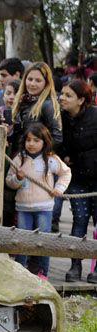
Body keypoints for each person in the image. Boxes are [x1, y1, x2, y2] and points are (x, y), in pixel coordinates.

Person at [6, 123, 71, 280]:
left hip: (44, 207)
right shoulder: (19, 158)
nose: (31, 144)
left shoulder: (51, 160)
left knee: (43, 240)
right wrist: (18, 178)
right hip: (23, 207)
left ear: (44, 141)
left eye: (36, 140)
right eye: (28, 140)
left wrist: (59, 189)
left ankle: (43, 273)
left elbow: (66, 173)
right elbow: (9, 181)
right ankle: (20, 271)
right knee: (22, 240)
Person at [59, 80, 97, 283]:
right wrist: (64, 156)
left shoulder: (95, 116)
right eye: (62, 94)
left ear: (81, 100)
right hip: (77, 178)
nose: (62, 98)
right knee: (80, 221)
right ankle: (75, 266)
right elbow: (57, 143)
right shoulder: (61, 119)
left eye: (68, 95)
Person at [11, 62, 62, 156]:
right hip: (19, 157)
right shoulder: (22, 101)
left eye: (38, 80)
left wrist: (36, 154)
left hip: (37, 161)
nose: (32, 84)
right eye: (30, 79)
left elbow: (57, 138)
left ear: (46, 83)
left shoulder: (47, 105)